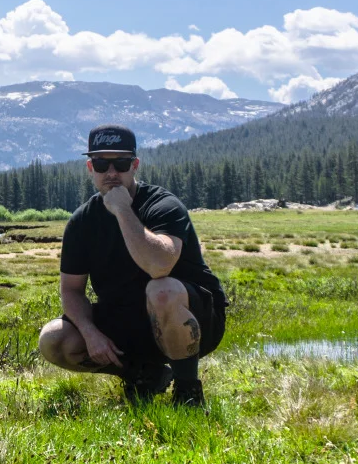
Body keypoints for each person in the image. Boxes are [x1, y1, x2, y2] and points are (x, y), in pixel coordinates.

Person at [37, 124, 225, 405]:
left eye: (121, 163)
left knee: (161, 291)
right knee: (53, 339)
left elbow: (159, 266)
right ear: (90, 168)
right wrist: (90, 333)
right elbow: (71, 290)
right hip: (127, 322)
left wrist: (122, 209)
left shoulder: (163, 206)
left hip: (194, 320)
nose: (111, 173)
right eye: (101, 164)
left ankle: (188, 391)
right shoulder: (82, 222)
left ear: (135, 166)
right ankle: (143, 374)